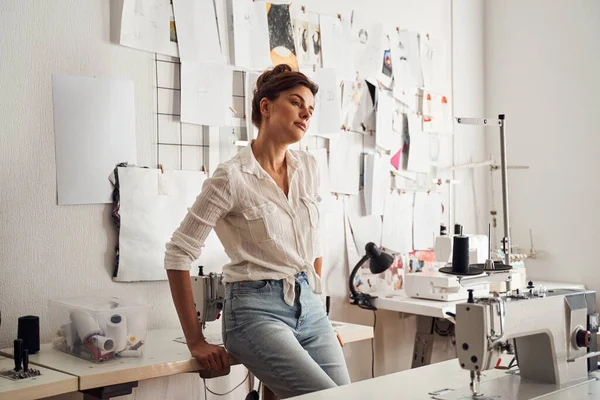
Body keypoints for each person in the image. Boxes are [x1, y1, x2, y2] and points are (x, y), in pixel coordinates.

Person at [165, 64, 351, 399]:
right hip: (254, 314)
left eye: (310, 109)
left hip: (308, 308)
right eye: (296, 103)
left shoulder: (307, 168)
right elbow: (178, 252)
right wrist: (196, 340)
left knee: (348, 395)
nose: (305, 114)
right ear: (266, 107)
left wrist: (318, 315)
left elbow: (314, 247)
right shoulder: (231, 177)